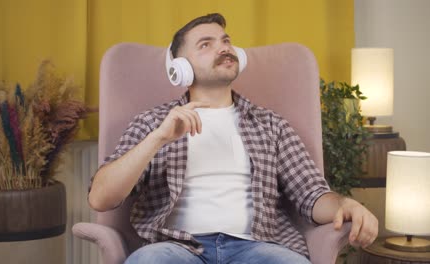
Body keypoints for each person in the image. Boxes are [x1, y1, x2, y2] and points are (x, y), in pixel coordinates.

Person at [88, 13, 378, 264]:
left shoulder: (270, 124)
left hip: (258, 247)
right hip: (174, 249)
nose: (224, 48)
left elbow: (311, 195)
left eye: (225, 41)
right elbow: (101, 198)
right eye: (206, 44)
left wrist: (345, 205)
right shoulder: (154, 123)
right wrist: (157, 139)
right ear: (180, 69)